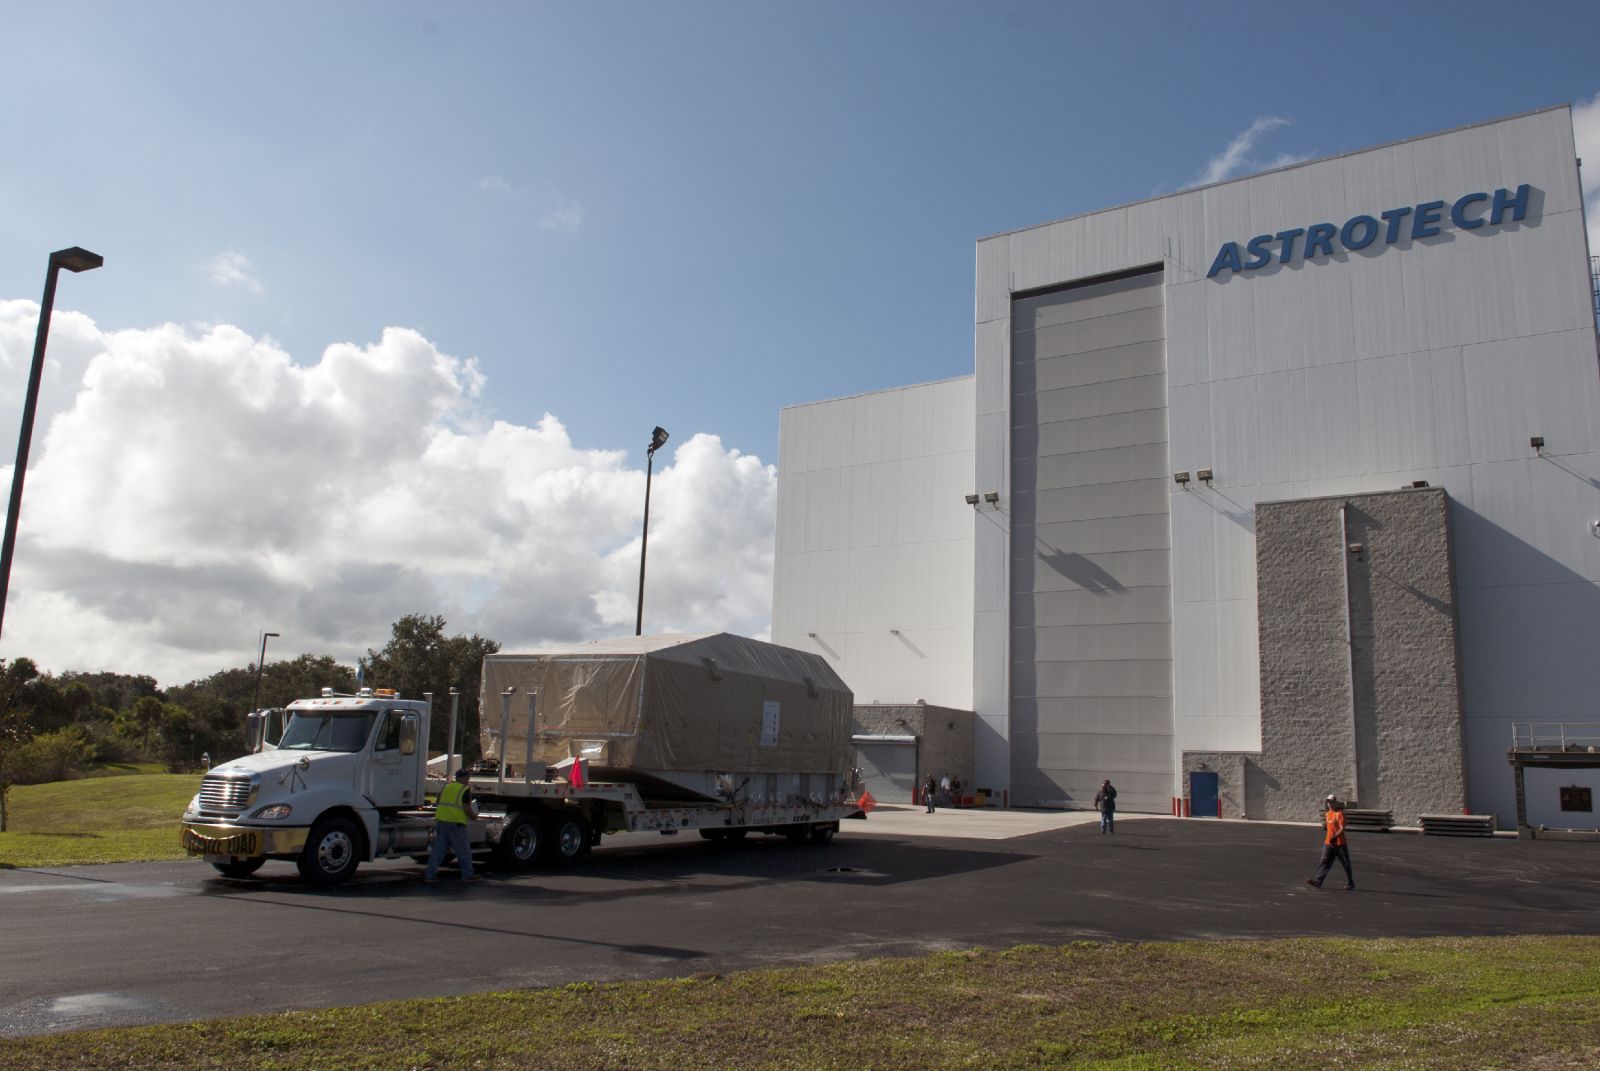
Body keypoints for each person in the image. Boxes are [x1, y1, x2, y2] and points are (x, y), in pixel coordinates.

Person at [425, 767, 481, 884]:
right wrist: (473, 816)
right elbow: (466, 807)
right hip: (456, 824)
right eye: (467, 777)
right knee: (463, 851)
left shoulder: (447, 787)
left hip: (442, 822)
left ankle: (430, 875)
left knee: (438, 851)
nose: (468, 780)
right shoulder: (464, 789)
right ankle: (468, 875)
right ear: (463, 778)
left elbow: (439, 801)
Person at [1307, 794, 1355, 890]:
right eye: (1328, 801)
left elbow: (1342, 828)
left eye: (1331, 801)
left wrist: (1335, 836)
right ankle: (1318, 882)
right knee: (1324, 862)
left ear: (1335, 802)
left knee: (1345, 863)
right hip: (1328, 843)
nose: (1329, 803)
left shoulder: (1339, 814)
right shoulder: (1328, 814)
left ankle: (1351, 882)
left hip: (1340, 843)